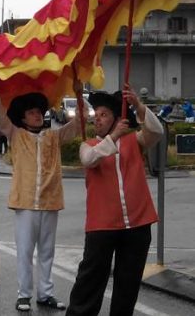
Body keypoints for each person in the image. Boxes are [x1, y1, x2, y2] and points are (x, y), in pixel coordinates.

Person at [0, 70, 82, 311]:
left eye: (39, 112)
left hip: (50, 201)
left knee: (47, 251)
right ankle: (24, 294)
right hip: (25, 202)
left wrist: (79, 94)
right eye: (32, 113)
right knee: (25, 251)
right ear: (24, 118)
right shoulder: (16, 135)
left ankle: (45, 293)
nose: (37, 115)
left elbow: (79, 125)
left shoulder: (54, 137)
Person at [66, 87, 163, 316]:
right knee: (90, 280)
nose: (97, 119)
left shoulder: (135, 141)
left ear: (118, 119)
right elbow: (90, 160)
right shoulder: (89, 145)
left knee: (127, 285)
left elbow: (156, 131)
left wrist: (138, 106)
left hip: (138, 224)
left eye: (104, 114)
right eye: (96, 114)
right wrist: (114, 136)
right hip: (102, 225)